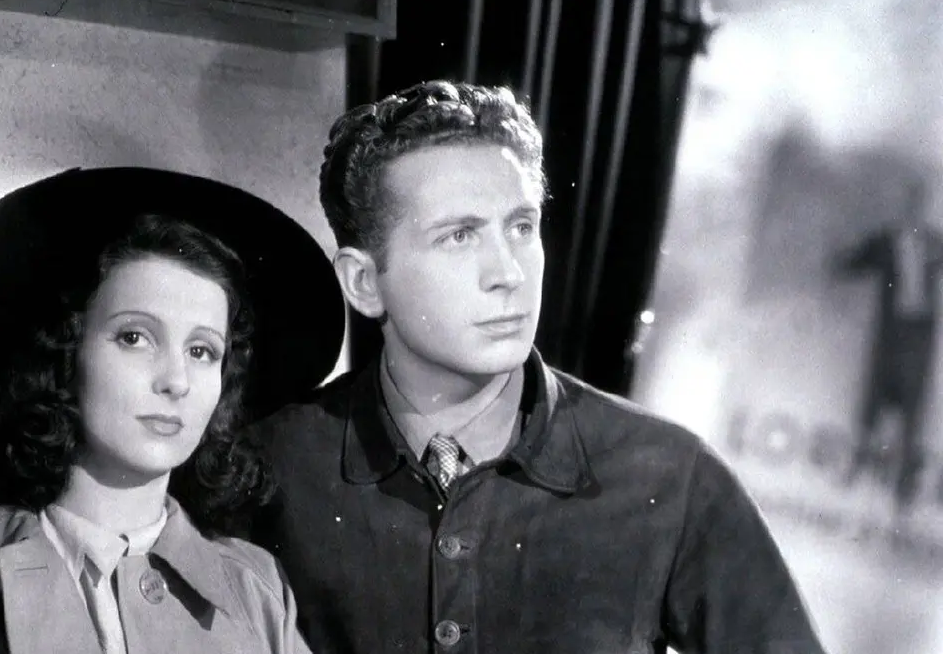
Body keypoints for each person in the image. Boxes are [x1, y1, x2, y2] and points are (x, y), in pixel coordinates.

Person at [247, 81, 827, 653]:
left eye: (521, 228)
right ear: (364, 283)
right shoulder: (267, 470)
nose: (509, 272)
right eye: (459, 236)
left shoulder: (672, 474)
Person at [0, 167, 345, 654]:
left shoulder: (257, 595)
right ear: (65, 352)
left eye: (202, 351)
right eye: (135, 337)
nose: (176, 380)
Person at [833, 178, 943, 510]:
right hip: (889, 336)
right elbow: (853, 261)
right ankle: (856, 468)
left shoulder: (936, 244)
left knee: (912, 409)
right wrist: (838, 256)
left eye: (920, 204)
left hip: (918, 339)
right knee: (873, 400)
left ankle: (903, 489)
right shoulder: (887, 241)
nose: (915, 211)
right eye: (910, 204)